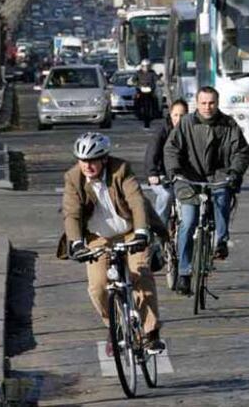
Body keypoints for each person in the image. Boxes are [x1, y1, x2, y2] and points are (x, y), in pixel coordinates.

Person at [60, 132, 167, 353]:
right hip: (97, 237)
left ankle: (150, 332)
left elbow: (137, 202)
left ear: (104, 159)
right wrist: (77, 244)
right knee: (98, 287)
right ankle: (114, 327)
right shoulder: (73, 178)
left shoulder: (121, 170)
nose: (88, 166)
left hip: (129, 233)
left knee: (141, 274)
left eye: (93, 160)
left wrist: (140, 232)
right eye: (83, 161)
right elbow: (72, 214)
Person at [164, 86, 249, 295]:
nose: (207, 107)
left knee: (222, 199)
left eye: (211, 103)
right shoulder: (186, 123)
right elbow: (171, 149)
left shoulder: (229, 124)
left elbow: (241, 151)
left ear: (217, 103)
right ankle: (184, 273)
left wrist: (234, 172)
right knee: (189, 221)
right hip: (188, 178)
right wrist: (175, 170)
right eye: (203, 103)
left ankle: (221, 242)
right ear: (197, 103)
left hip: (219, 176)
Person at [145, 99, 189, 226]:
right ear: (170, 115)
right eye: (176, 115)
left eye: (182, 115)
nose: (179, 119)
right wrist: (152, 173)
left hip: (183, 176)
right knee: (166, 195)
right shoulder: (162, 131)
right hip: (161, 175)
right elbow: (151, 153)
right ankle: (160, 228)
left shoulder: (191, 130)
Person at [132, 59, 158, 130]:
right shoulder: (138, 73)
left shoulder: (152, 73)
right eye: (144, 66)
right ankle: (136, 112)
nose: (145, 68)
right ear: (141, 66)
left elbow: (156, 79)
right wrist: (136, 84)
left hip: (150, 91)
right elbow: (134, 80)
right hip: (141, 90)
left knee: (155, 99)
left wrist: (158, 80)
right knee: (136, 99)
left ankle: (155, 113)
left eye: (147, 66)